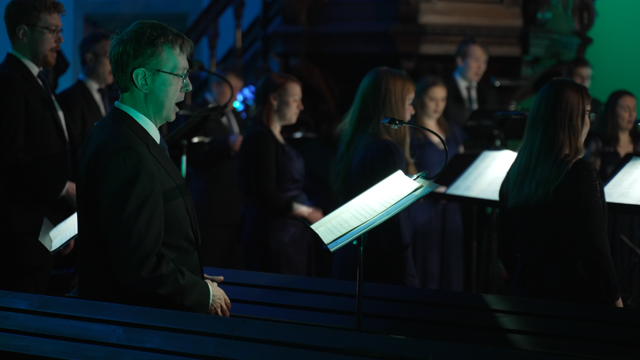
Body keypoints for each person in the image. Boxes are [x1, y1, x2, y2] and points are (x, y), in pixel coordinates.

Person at [76, 20, 230, 316]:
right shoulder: (126, 151)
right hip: (135, 326)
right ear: (143, 79)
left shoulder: (124, 132)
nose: (188, 86)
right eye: (179, 75)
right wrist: (199, 293)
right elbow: (139, 265)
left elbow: (147, 241)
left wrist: (190, 276)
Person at [498, 78, 622, 307]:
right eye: (586, 113)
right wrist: (616, 301)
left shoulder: (517, 173)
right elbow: (596, 251)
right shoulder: (579, 173)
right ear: (570, 120)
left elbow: (505, 246)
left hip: (525, 293)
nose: (589, 121)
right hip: (573, 298)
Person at [0, 0, 76, 294]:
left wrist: (58, 225)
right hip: (19, 239)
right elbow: (9, 162)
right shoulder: (8, 82)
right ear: (23, 33)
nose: (61, 40)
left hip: (43, 225)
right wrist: (66, 189)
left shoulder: (38, 80)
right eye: (52, 31)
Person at [332, 67, 419, 287]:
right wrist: (409, 279)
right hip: (378, 270)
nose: (412, 111)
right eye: (409, 102)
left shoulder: (356, 141)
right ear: (394, 105)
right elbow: (395, 226)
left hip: (351, 263)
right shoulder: (387, 150)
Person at [237, 72, 326, 276]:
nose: (300, 106)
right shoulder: (260, 137)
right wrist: (307, 212)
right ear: (274, 99)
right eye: (295, 100)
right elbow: (266, 195)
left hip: (288, 234)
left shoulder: (272, 136)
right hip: (273, 236)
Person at [407, 76, 464, 290]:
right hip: (425, 209)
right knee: (427, 266)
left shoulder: (453, 131)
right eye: (433, 99)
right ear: (421, 99)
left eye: (443, 99)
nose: (438, 105)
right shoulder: (412, 133)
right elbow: (407, 174)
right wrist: (433, 189)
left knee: (450, 264)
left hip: (450, 209)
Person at [187, 67, 246, 269]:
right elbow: (194, 155)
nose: (235, 96)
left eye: (239, 90)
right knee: (212, 262)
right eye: (232, 89)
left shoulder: (235, 115)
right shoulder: (196, 113)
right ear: (215, 86)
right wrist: (225, 145)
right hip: (211, 207)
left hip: (235, 207)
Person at [58, 31, 113, 162]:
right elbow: (73, 149)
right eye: (109, 56)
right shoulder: (69, 98)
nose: (114, 63)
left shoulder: (111, 96)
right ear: (90, 59)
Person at [443, 37, 498, 127]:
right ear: (460, 61)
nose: (481, 67)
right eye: (476, 60)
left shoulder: (489, 93)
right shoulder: (443, 89)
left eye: (484, 62)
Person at [586, 90, 640, 181]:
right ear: (613, 111)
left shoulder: (638, 143)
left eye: (634, 109)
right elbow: (590, 180)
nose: (631, 114)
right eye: (626, 110)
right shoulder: (599, 143)